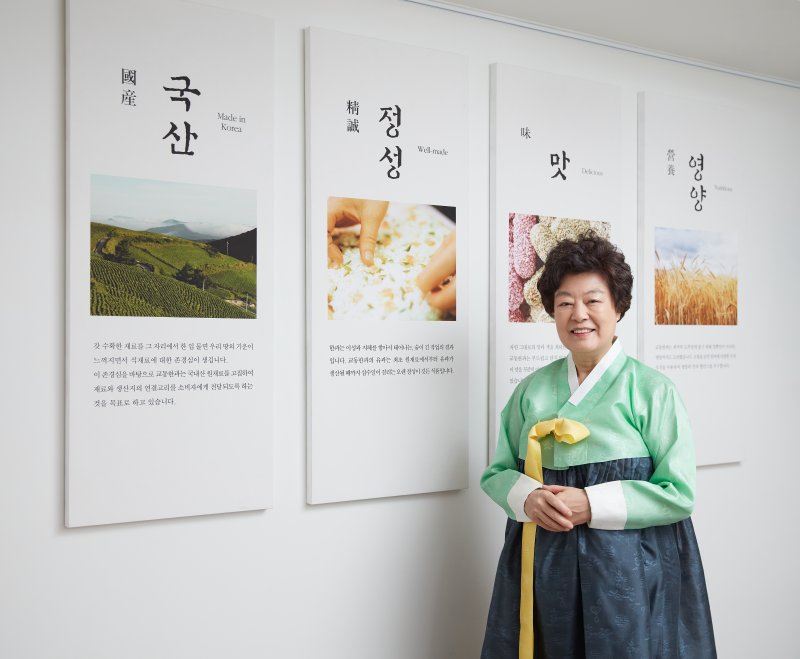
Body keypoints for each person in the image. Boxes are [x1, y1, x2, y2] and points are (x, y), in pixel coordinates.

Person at [480, 233, 716, 659]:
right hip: (542, 563)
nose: (579, 315)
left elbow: (678, 495)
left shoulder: (652, 391)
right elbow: (497, 473)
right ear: (552, 311)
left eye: (593, 300)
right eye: (565, 302)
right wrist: (529, 497)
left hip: (630, 570)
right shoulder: (530, 392)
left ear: (618, 306)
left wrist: (592, 503)